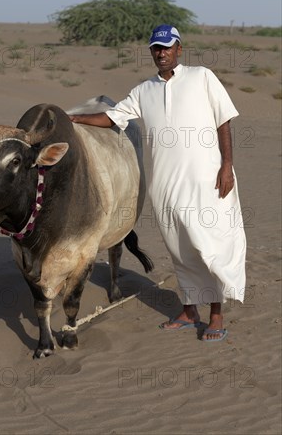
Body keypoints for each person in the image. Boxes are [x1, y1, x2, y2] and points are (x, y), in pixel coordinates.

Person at [69, 24, 246, 342]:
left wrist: (227, 166)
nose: (161, 52)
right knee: (179, 249)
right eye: (156, 47)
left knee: (209, 246)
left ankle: (216, 314)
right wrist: (77, 119)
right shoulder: (143, 91)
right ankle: (190, 311)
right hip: (165, 185)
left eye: (167, 46)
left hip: (208, 180)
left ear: (179, 48)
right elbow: (113, 118)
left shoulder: (202, 76)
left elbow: (224, 120)